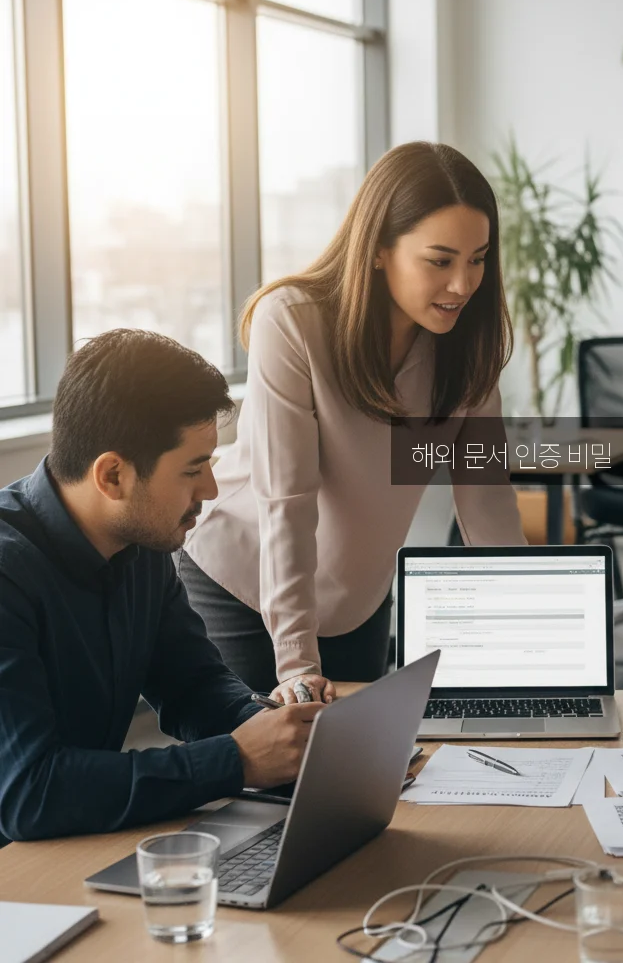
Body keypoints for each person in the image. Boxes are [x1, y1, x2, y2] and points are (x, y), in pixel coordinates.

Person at [181, 142, 525, 704]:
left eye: (478, 258)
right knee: (266, 776)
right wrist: (295, 662)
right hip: (244, 584)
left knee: (359, 780)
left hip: (358, 600)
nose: (464, 284)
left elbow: (487, 502)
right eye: (440, 261)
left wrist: (530, 643)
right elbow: (286, 500)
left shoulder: (469, 346)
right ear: (379, 250)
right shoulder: (292, 321)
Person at [0, 330, 326, 844]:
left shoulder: (142, 542)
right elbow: (30, 793)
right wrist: (237, 760)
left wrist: (285, 736)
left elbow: (192, 685)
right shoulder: (8, 574)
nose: (211, 491)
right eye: (192, 471)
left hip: (76, 842)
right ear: (113, 476)